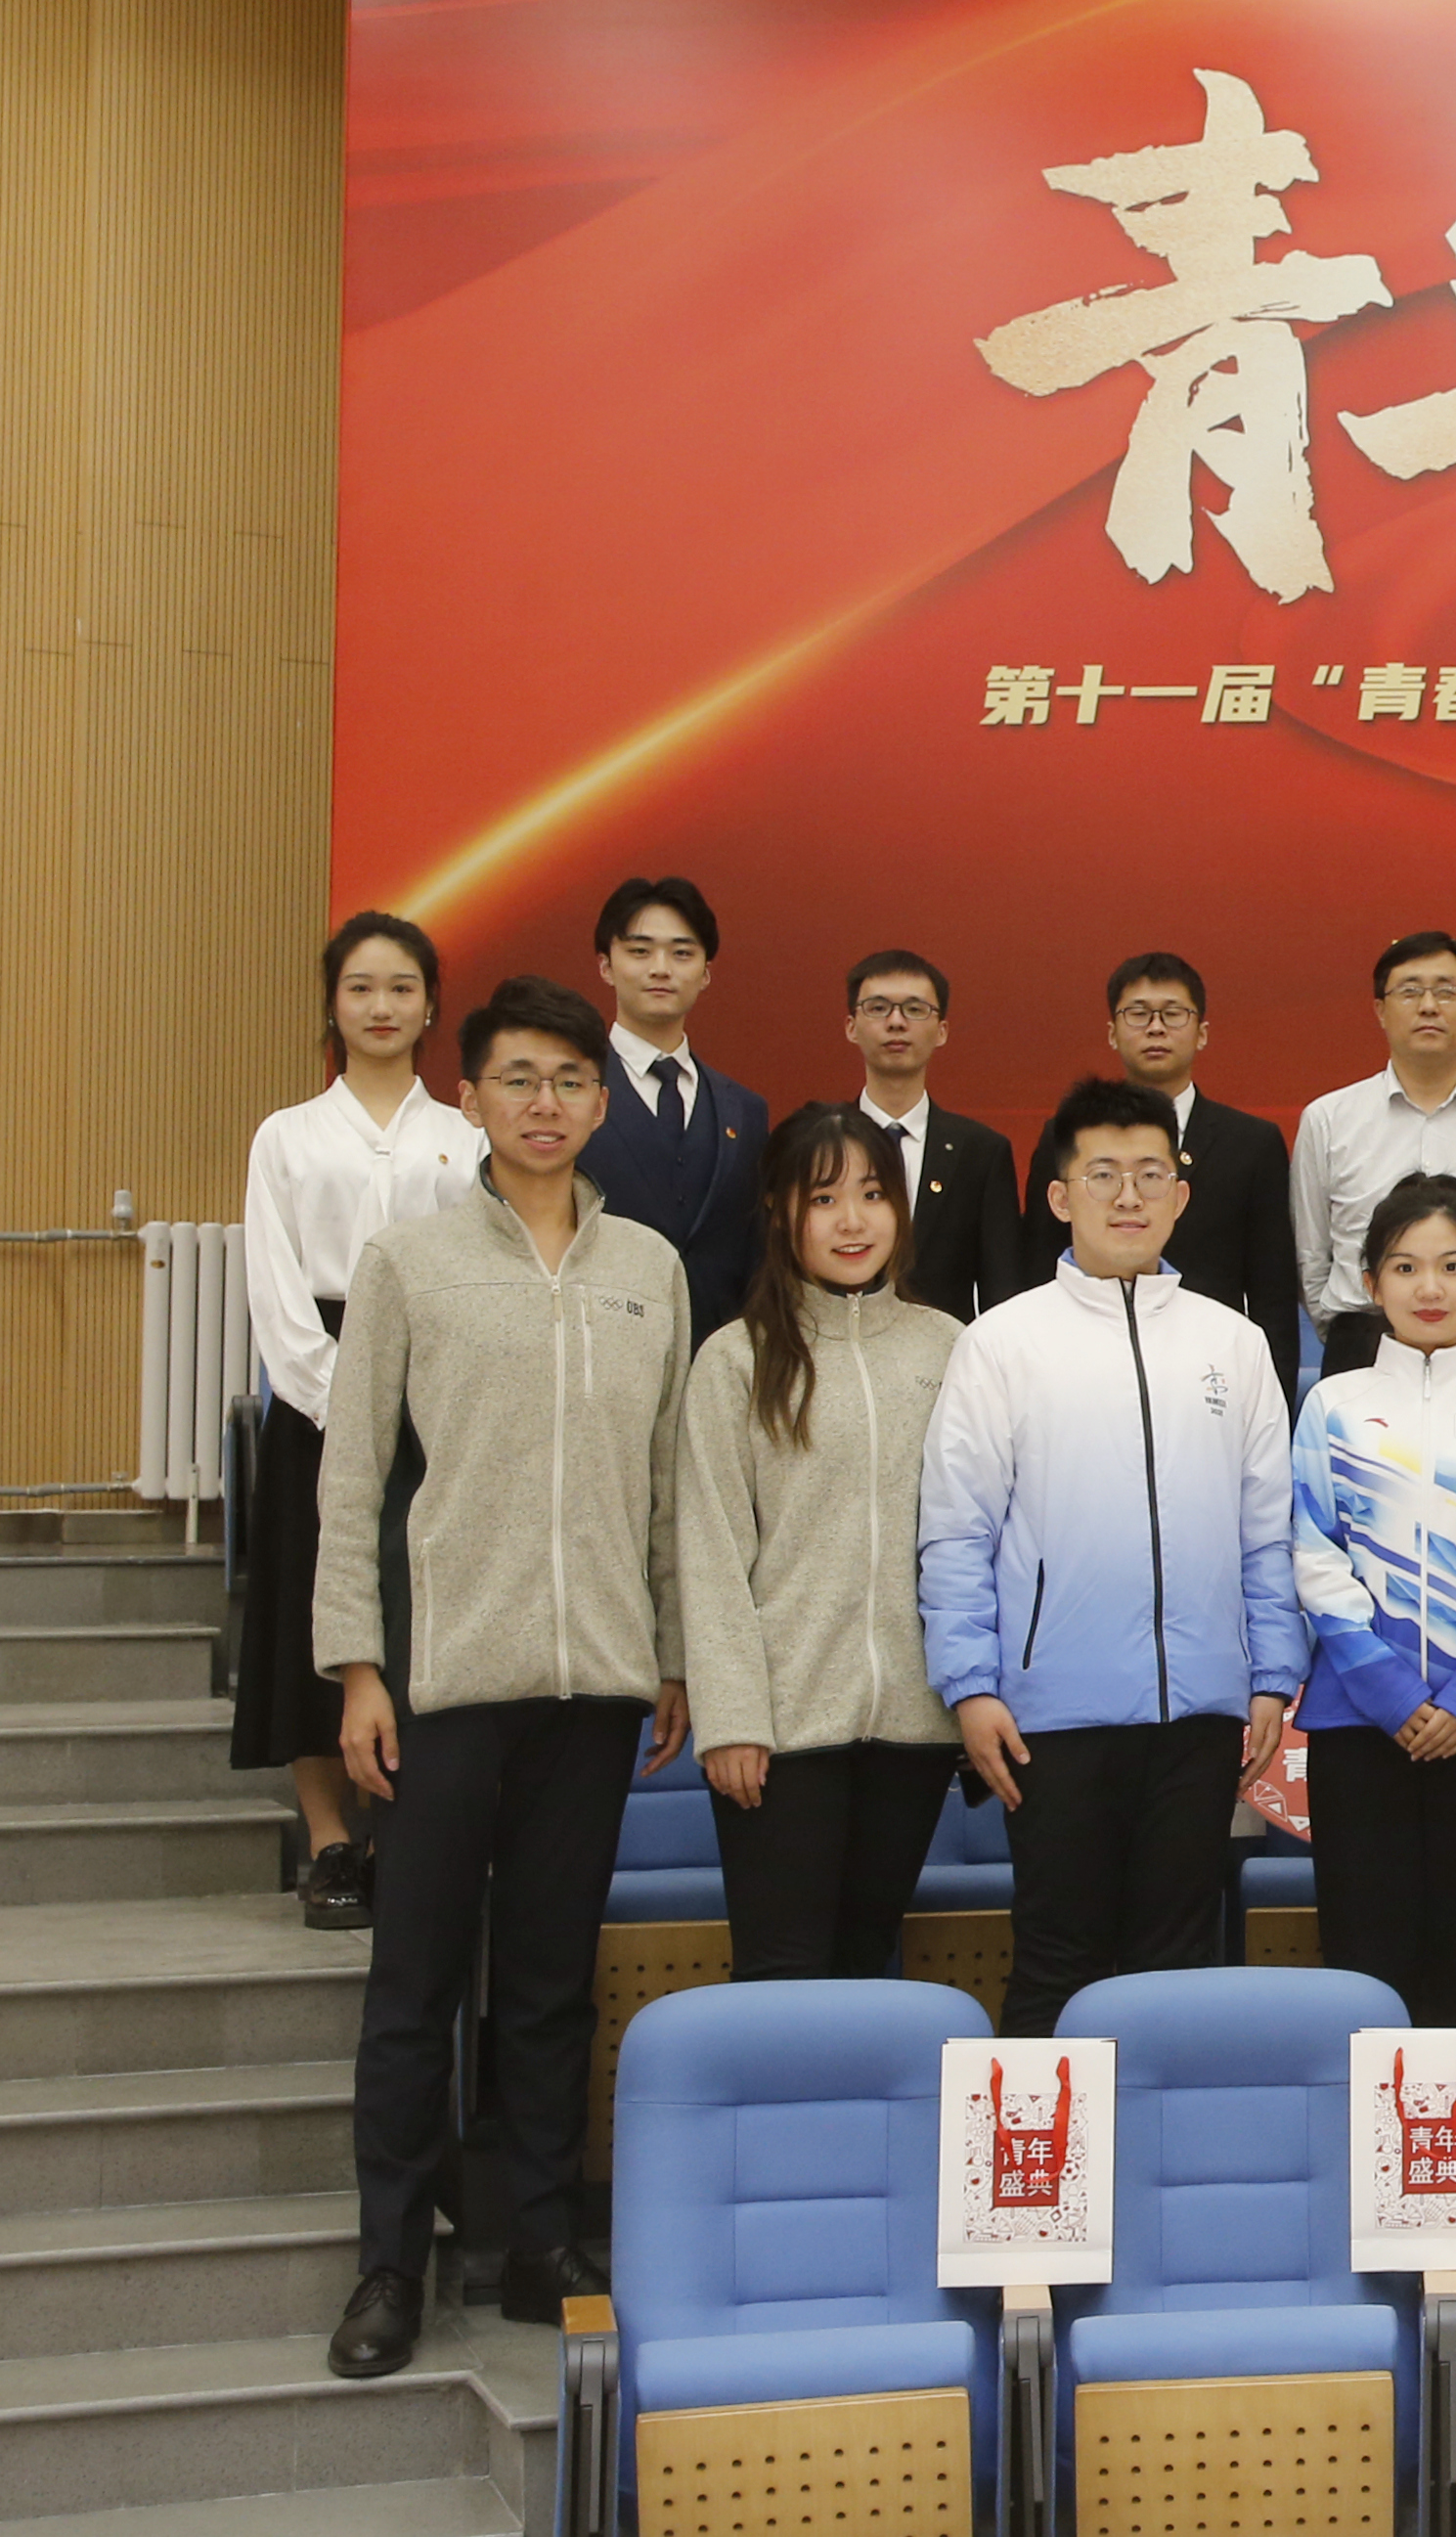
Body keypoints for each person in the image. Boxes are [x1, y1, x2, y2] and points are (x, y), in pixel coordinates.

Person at [314, 977, 690, 2380]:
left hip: (594, 1687)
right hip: (445, 1682)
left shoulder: (650, 1266)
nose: (545, 1103)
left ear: (601, 1102)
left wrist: (670, 1650)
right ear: (469, 1096)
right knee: (415, 1983)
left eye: (569, 1081)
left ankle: (535, 2239)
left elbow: (667, 1483)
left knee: (547, 1982)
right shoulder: (409, 1261)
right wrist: (360, 1669)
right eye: (518, 1078)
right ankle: (390, 2260)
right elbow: (352, 1480)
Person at [922, 1077, 1303, 2039]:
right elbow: (957, 1530)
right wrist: (970, 1684)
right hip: (1050, 1716)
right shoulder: (1001, 1343)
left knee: (1176, 1971)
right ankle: (1040, 2147)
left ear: (1182, 1194)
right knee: (1058, 1961)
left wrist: (1271, 1676)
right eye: (1103, 1174)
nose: (1128, 1196)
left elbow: (1266, 1527)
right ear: (1061, 1196)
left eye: (1150, 1174)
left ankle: (1161, 2141)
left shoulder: (1236, 1343)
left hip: (1202, 1713)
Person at [678, 1103, 967, 1983]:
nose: (853, 1221)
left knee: (867, 1961)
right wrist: (732, 1718)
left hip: (915, 1724)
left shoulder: (951, 1348)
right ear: (780, 1212)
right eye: (824, 1198)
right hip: (782, 1729)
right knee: (782, 1972)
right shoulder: (737, 1359)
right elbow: (710, 1551)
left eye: (873, 1195)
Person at [235, 912, 483, 1932]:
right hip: (318, 1398)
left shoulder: (465, 1135)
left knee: (417, 1609)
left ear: (430, 1006)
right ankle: (331, 1839)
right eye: (361, 988)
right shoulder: (287, 1135)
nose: (382, 1006)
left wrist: (424, 1395)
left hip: (442, 1394)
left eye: (401, 988)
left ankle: (400, 1836)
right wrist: (346, 1399)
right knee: (313, 1610)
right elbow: (276, 1288)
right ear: (332, 1005)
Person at [1290, 1174, 1456, 2025]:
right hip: (1361, 1725)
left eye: (1452, 1266)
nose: (1430, 1288)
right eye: (1406, 1268)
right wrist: (1390, 1693)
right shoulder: (1332, 1404)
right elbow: (1313, 1550)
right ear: (1371, 1283)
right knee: (1366, 1966)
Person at [1027, 955, 1299, 1398]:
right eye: (1138, 1014)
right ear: (1112, 1032)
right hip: (1082, 1366)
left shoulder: (1252, 1141)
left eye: (1173, 1014)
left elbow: (1273, 1292)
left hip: (1210, 1368)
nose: (1156, 1028)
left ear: (1201, 1032)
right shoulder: (1066, 1134)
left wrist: (1276, 1399)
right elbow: (1039, 1262)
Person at [1294, 933, 1456, 1381]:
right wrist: (1353, 1328)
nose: (1429, 1006)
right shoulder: (1328, 1119)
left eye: (1447, 991)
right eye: (1410, 991)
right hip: (1362, 1344)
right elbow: (1310, 1258)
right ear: (1380, 1009)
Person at [582, 875, 767, 1340]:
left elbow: (755, 1253)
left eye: (682, 953)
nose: (661, 969)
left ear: (705, 973)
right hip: (600, 1344)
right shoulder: (569, 1093)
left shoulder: (745, 1111)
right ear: (606, 966)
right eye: (640, 951)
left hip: (718, 1351)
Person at [846, 949, 1027, 1321]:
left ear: (942, 1030)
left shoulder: (981, 1152)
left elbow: (1002, 1291)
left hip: (947, 1350)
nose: (896, 1022)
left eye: (915, 1009)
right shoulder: (816, 1144)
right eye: (878, 1008)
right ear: (851, 1026)